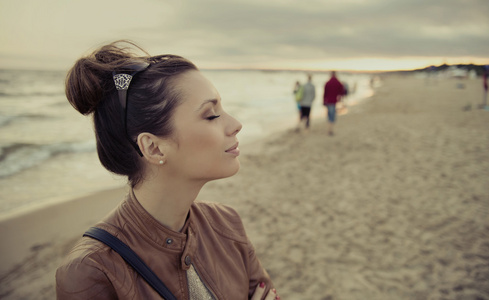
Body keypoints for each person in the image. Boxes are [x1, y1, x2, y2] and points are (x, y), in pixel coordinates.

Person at [55, 41, 279, 300]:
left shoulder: (226, 224)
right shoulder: (91, 272)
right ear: (154, 148)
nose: (236, 124)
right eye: (211, 115)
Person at [323, 71, 345, 136]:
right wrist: (340, 97)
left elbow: (325, 93)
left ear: (331, 75)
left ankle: (330, 128)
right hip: (333, 101)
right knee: (332, 115)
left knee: (330, 114)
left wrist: (324, 101)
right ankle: (330, 129)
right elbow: (342, 91)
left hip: (328, 101)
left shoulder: (328, 82)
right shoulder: (338, 82)